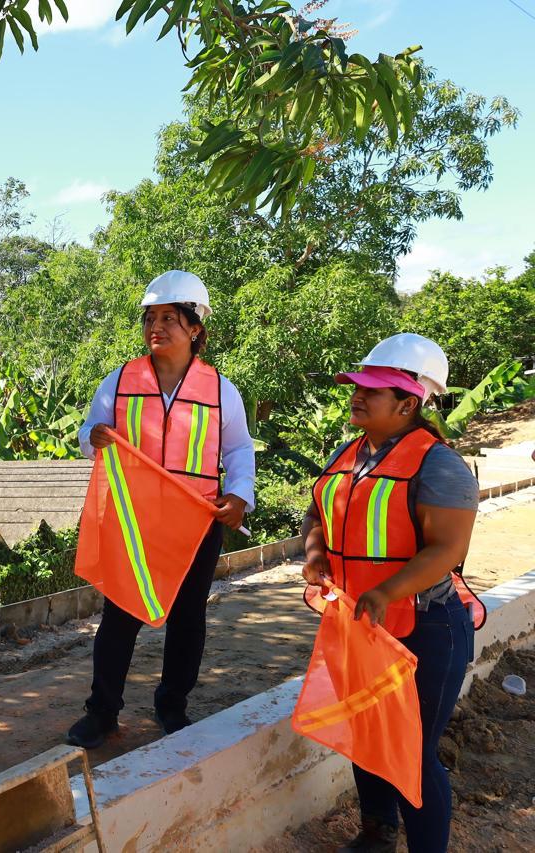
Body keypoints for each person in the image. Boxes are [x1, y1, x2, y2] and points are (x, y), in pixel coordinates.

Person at [300, 333, 483, 853]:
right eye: (357, 385)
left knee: (412, 751)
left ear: (408, 403)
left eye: (372, 390)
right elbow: (319, 511)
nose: (357, 395)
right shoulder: (348, 453)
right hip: (359, 625)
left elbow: (447, 549)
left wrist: (385, 591)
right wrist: (315, 556)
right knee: (367, 736)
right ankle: (378, 832)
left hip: (424, 629)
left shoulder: (439, 465)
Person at [67, 270, 256, 747]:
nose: (158, 326)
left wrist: (239, 496)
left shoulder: (219, 390)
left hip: (194, 523)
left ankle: (173, 706)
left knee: (188, 617)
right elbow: (90, 433)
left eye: (171, 317)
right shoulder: (120, 380)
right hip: (134, 524)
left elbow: (238, 452)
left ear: (196, 328)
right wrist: (92, 437)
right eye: (151, 317)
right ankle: (102, 712)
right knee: (120, 616)